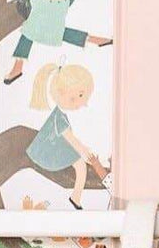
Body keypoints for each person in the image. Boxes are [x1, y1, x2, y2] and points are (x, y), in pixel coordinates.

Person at [25, 62, 108, 209]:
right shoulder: (59, 117)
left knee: (81, 162)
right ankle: (75, 198)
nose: (83, 103)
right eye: (79, 96)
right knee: (81, 165)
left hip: (55, 146)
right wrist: (85, 153)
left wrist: (83, 149)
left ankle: (75, 197)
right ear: (62, 92)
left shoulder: (60, 115)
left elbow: (72, 140)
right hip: (50, 151)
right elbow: (71, 139)